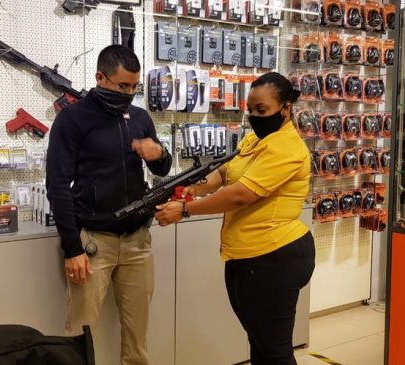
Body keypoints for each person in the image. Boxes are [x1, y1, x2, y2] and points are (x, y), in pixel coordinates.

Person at [155, 72, 315, 365]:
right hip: (247, 256)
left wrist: (186, 209)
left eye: (262, 110)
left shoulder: (287, 147)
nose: (254, 116)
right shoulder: (256, 139)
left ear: (286, 108)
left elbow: (241, 194)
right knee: (259, 342)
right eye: (251, 110)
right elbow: (224, 173)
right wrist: (189, 190)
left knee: (275, 352)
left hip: (274, 256)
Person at [46, 45, 171, 365]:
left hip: (137, 241)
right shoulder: (72, 119)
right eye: (122, 86)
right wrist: (71, 247)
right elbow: (58, 185)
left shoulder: (140, 118)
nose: (129, 93)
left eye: (134, 87)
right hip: (93, 244)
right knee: (81, 335)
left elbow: (161, 170)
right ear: (100, 77)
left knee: (137, 337)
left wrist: (159, 154)